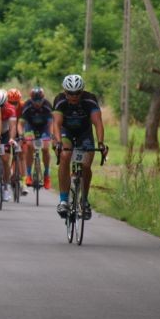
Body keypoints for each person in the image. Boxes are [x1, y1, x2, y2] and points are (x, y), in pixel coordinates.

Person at [53, 74, 107, 220]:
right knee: (65, 156)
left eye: (77, 93)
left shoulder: (90, 100)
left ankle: (84, 200)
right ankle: (64, 201)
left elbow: (98, 122)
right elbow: (56, 123)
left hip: (84, 133)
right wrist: (58, 142)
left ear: (82, 92)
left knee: (86, 165)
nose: (74, 96)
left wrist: (101, 143)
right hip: (66, 132)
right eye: (70, 93)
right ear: (65, 92)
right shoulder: (60, 100)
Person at [18, 86, 54, 190]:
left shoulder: (47, 105)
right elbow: (20, 124)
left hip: (44, 128)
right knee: (29, 146)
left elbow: (51, 124)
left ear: (43, 98)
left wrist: (52, 135)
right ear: (31, 99)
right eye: (35, 100)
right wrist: (21, 135)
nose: (37, 103)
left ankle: (47, 175)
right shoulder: (27, 105)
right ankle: (28, 174)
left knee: (45, 148)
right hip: (30, 127)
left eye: (40, 100)